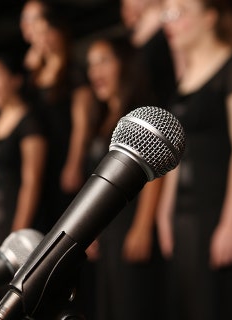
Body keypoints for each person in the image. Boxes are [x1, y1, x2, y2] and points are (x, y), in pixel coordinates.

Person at [156, 0, 232, 319]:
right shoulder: (182, 82)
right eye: (166, 14)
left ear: (210, 17)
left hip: (217, 209)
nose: (169, 22)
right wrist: (165, 212)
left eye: (179, 13)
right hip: (184, 215)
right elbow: (178, 153)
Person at [84, 35, 165, 320]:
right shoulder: (101, 115)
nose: (95, 72)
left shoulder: (139, 113)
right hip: (108, 230)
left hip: (131, 223)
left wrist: (143, 226)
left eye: (103, 61)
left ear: (124, 64)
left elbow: (155, 175)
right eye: (91, 65)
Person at [0, 53, 47, 317]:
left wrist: (18, 236)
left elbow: (31, 181)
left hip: (16, 217)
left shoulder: (29, 122)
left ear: (16, 80)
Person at [23, 10, 95, 234]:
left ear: (60, 33)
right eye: (37, 33)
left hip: (64, 154)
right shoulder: (34, 75)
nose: (42, 38)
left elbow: (82, 123)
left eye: (46, 31)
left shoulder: (73, 72)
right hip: (41, 158)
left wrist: (74, 162)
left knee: (67, 223)